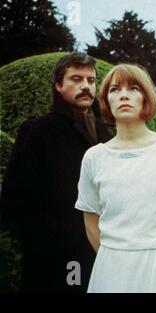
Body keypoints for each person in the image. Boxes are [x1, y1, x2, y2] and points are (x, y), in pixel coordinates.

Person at [75, 64, 156, 293]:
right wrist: (118, 258)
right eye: (115, 89)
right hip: (114, 272)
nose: (123, 94)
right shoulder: (94, 158)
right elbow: (91, 221)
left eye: (133, 88)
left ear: (146, 98)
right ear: (106, 100)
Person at [0, 52, 112, 292]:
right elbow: (14, 200)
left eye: (91, 80)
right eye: (76, 79)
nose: (85, 86)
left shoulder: (106, 134)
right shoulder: (37, 132)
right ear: (58, 86)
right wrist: (58, 239)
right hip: (53, 263)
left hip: (103, 253)